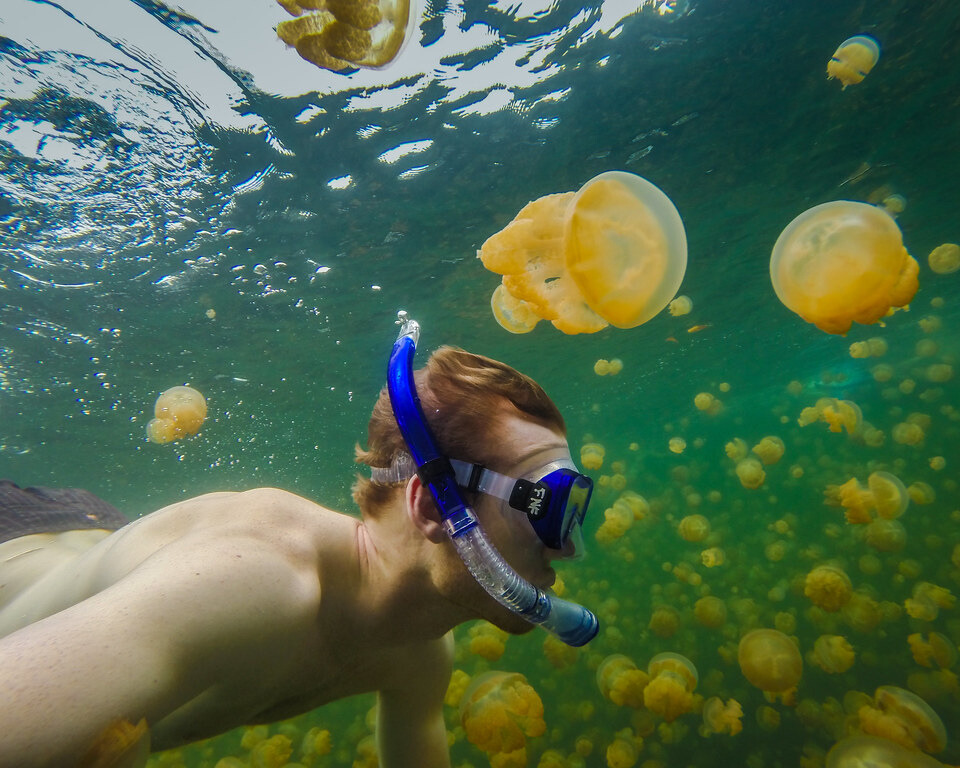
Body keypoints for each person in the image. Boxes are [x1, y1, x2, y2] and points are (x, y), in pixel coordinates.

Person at [0, 326, 596, 768]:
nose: (568, 549)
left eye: (574, 510)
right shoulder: (257, 581)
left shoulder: (419, 657)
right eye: (549, 505)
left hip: (97, 535)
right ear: (433, 505)